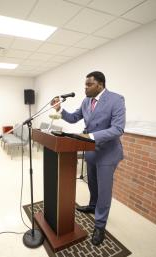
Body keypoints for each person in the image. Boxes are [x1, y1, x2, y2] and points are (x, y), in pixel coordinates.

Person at [51, 71, 125, 246]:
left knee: (104, 190)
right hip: (91, 151)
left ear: (100, 85)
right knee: (92, 183)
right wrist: (60, 110)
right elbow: (74, 118)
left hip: (108, 152)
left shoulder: (116, 100)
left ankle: (100, 225)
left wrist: (90, 136)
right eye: (85, 84)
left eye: (88, 84)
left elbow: (118, 129)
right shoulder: (86, 101)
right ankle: (92, 206)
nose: (85, 87)